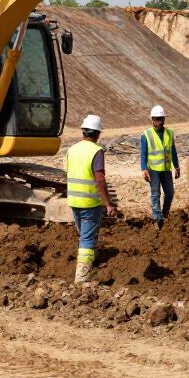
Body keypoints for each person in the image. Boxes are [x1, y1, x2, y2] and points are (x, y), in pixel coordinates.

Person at [65, 114, 116, 283]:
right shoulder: (96, 151)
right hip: (89, 202)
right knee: (86, 238)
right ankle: (82, 276)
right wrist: (108, 203)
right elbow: (99, 180)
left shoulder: (71, 150)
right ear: (97, 134)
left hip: (73, 201)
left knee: (85, 234)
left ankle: (92, 258)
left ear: (83, 131)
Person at [141, 105, 180, 228]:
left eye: (159, 119)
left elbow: (173, 151)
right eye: (155, 119)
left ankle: (165, 213)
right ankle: (157, 219)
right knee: (155, 194)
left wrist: (177, 166)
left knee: (169, 192)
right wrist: (144, 168)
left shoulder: (169, 133)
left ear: (163, 119)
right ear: (152, 119)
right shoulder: (146, 134)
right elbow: (143, 153)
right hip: (153, 169)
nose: (157, 121)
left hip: (166, 169)